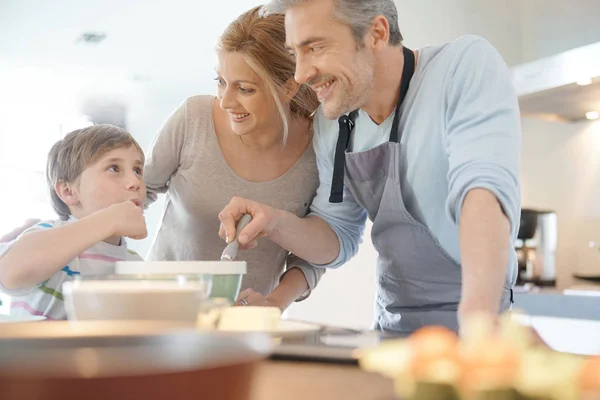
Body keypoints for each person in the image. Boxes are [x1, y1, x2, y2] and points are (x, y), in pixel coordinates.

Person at [218, 0, 521, 334]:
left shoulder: (463, 66)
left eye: (315, 48)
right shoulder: (333, 122)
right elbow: (338, 233)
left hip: (478, 320)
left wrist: (479, 319)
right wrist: (274, 222)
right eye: (295, 54)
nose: (301, 74)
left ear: (376, 33)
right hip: (391, 325)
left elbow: (481, 193)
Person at [143, 6, 323, 311]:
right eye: (221, 81)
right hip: (155, 309)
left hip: (242, 322)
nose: (226, 101)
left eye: (245, 88)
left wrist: (273, 303)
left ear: (289, 87)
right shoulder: (193, 118)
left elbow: (315, 254)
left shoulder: (321, 148)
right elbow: (138, 190)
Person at [0, 124, 147, 320]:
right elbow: (10, 273)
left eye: (137, 170)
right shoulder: (50, 235)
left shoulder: (135, 263)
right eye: (114, 168)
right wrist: (109, 219)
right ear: (69, 192)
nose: (135, 182)